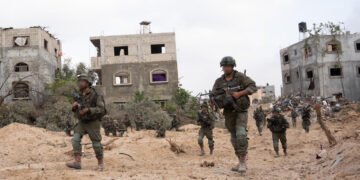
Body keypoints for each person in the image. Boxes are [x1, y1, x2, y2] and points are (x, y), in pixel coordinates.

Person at [211, 56, 257, 173]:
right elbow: (213, 96)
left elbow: (253, 86)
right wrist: (216, 101)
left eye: (228, 66)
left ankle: (243, 163)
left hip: (240, 110)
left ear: (232, 66)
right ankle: (240, 160)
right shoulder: (219, 82)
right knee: (233, 138)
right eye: (224, 66)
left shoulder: (240, 77)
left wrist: (240, 93)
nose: (226, 68)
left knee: (241, 134)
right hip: (228, 112)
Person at [66, 74, 106, 170]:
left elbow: (102, 110)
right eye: (79, 81)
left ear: (88, 83)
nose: (80, 83)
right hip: (82, 121)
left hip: (93, 121)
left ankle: (100, 163)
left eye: (82, 81)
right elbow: (76, 110)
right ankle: (77, 162)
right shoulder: (79, 95)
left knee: (96, 144)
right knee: (75, 140)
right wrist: (74, 107)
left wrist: (88, 110)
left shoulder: (96, 95)